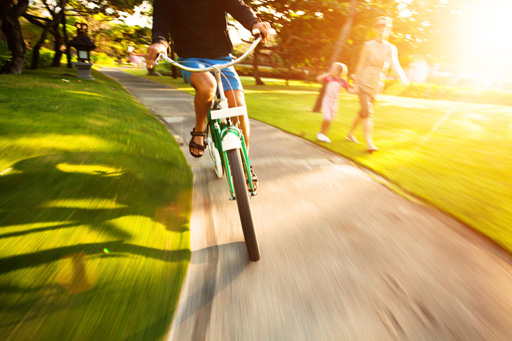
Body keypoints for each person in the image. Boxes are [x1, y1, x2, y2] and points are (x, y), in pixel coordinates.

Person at [146, 0, 271, 189]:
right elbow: (161, 27)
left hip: (222, 58)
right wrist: (160, 45)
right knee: (207, 86)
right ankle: (199, 130)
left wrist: (255, 23)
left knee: (238, 105)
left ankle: (244, 163)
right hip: (191, 59)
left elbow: (238, 7)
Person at [346, 16, 409, 152]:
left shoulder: (391, 48)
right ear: (375, 28)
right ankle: (370, 143)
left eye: (385, 26)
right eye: (379, 25)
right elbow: (361, 64)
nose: (382, 28)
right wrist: (356, 83)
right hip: (364, 81)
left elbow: (395, 64)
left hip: (377, 83)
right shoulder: (368, 45)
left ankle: (350, 133)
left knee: (363, 111)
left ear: (389, 29)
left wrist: (403, 77)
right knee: (368, 112)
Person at [316, 62, 354, 143]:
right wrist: (327, 73)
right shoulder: (329, 78)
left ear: (339, 71)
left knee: (330, 121)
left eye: (334, 69)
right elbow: (318, 78)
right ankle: (320, 133)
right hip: (326, 101)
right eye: (332, 68)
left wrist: (357, 90)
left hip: (334, 103)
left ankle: (325, 135)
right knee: (327, 118)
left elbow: (350, 91)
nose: (332, 70)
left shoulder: (343, 81)